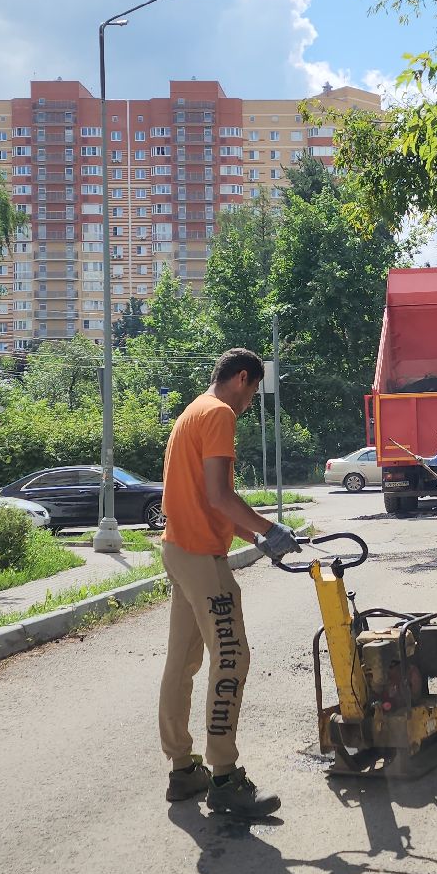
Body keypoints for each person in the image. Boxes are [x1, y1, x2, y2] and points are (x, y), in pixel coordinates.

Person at [158, 348, 301, 818]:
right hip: (201, 556)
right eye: (254, 391)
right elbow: (221, 495)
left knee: (182, 660)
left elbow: (208, 502)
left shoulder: (191, 412)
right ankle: (224, 776)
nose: (250, 401)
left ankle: (183, 768)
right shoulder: (219, 413)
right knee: (232, 656)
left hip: (179, 547)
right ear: (243, 378)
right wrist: (267, 528)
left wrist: (254, 537)